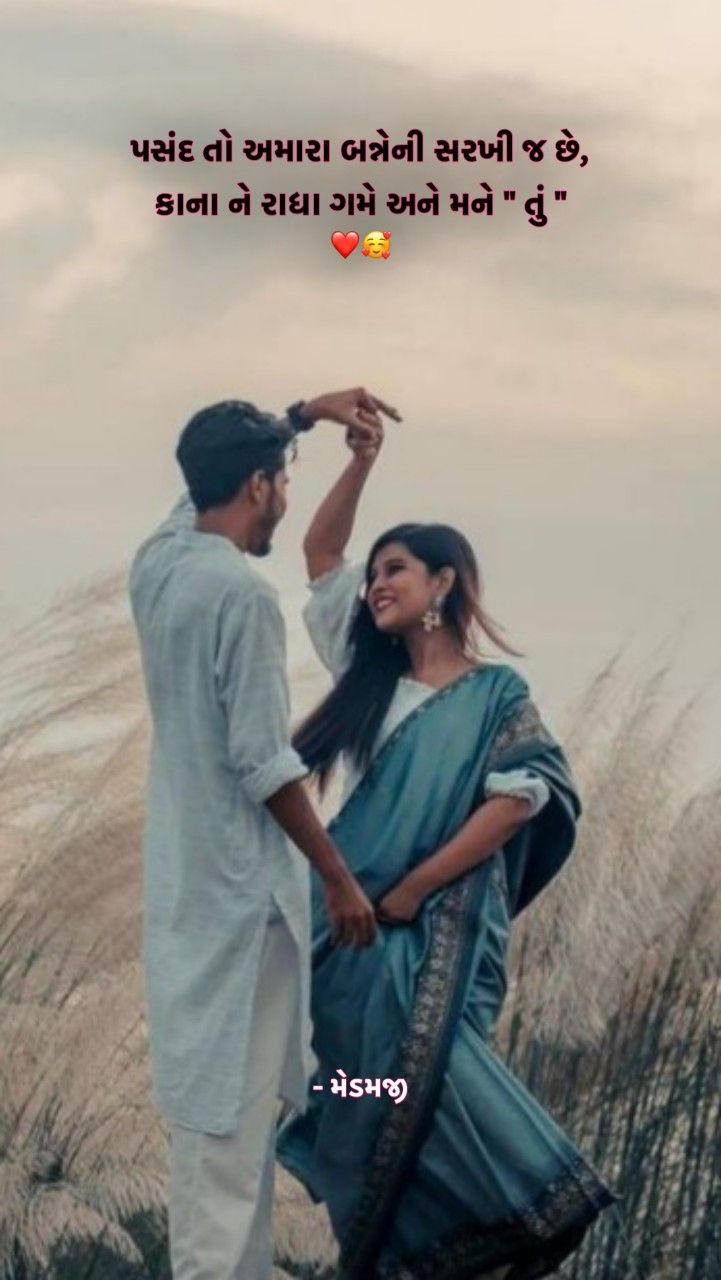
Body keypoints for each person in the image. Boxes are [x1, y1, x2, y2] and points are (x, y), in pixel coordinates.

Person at [277, 422, 617, 1279]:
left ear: (442, 584)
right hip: (347, 936)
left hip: (431, 934)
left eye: (394, 569)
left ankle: (530, 1209)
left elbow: (516, 805)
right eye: (374, 571)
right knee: (364, 1092)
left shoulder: (495, 693)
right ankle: (419, 1254)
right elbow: (319, 549)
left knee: (443, 1076)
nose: (374, 584)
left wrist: (413, 890)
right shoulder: (369, 676)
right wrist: (361, 460)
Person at [129, 388, 399, 1280]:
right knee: (226, 1164)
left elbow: (192, 489)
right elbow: (263, 762)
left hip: (190, 904)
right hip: (243, 914)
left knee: (219, 1150)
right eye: (282, 482)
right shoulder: (239, 597)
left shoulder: (158, 565)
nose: (284, 499)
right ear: (256, 485)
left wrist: (299, 418)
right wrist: (336, 876)